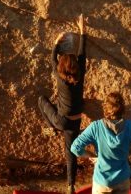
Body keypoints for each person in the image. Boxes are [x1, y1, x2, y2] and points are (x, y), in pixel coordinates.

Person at [38, 14, 87, 194]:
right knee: (71, 152)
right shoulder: (80, 75)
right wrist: (83, 30)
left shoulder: (60, 77)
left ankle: (50, 126)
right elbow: (82, 53)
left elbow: (52, 59)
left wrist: (57, 43)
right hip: (75, 121)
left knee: (42, 99)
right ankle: (70, 185)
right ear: (76, 66)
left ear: (61, 68)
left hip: (61, 120)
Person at [70, 92, 131, 194]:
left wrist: (92, 156)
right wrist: (130, 152)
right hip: (122, 181)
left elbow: (75, 148)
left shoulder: (96, 127)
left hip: (101, 182)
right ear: (122, 108)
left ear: (105, 108)